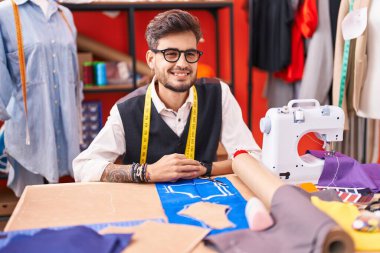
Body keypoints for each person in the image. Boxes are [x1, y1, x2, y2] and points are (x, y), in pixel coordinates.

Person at [73, 9, 259, 183]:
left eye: (190, 54)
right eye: (171, 54)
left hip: (202, 205)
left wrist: (204, 168)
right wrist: (146, 172)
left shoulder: (218, 94)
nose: (182, 63)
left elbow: (253, 157)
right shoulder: (127, 109)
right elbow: (83, 167)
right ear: (151, 60)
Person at [0, 0, 81, 196]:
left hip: (65, 123)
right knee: (30, 204)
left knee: (57, 204)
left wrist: (77, 110)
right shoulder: (6, 13)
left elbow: (75, 75)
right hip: (30, 125)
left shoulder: (65, 15)